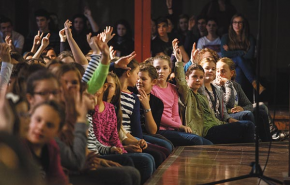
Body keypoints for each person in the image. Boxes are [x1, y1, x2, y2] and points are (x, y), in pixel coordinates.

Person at [173, 39, 255, 144]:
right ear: (187, 78)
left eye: (213, 69)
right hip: (206, 130)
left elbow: (218, 115)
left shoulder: (206, 92)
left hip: (217, 124)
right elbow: (181, 80)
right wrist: (180, 61)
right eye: (195, 77)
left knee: (247, 125)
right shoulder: (189, 92)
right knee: (247, 126)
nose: (198, 80)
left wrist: (230, 121)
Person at [151, 54, 212, 146]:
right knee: (196, 141)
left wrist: (180, 129)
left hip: (173, 129)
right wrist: (179, 126)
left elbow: (175, 114)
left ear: (169, 70)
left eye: (164, 68)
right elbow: (158, 117)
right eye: (157, 68)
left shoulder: (173, 88)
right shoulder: (152, 89)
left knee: (209, 143)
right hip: (160, 129)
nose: (161, 71)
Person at [214, 57, 271, 141]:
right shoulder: (215, 86)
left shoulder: (236, 85)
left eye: (223, 71)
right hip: (225, 116)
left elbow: (248, 104)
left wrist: (242, 108)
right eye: (217, 71)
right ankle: (253, 139)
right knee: (247, 114)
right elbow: (228, 104)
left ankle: (267, 141)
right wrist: (227, 84)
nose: (219, 74)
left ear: (232, 73)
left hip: (236, 113)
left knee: (261, 110)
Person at [221, 13, 265, 99]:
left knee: (239, 69)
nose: (237, 25)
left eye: (240, 22)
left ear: (244, 24)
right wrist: (242, 52)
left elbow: (250, 55)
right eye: (235, 22)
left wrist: (231, 50)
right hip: (230, 65)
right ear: (231, 24)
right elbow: (225, 54)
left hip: (246, 66)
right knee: (238, 59)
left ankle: (238, 98)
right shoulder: (226, 37)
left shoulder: (250, 38)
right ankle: (255, 82)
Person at [25, 100, 69, 185]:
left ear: (57, 132)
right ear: (29, 118)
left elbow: (58, 180)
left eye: (49, 125)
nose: (41, 127)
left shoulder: (51, 148)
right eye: (38, 120)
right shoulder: (17, 145)